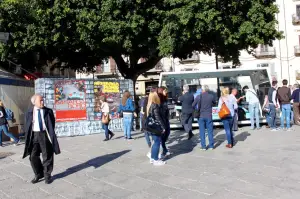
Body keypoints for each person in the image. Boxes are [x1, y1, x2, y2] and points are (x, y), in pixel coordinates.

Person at [23, 94, 60, 184]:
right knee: (32, 156)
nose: (42, 102)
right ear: (34, 102)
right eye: (40, 100)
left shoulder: (48, 111)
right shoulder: (29, 112)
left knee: (47, 155)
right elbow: (27, 125)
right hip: (34, 135)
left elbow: (52, 123)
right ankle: (39, 174)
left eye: (43, 100)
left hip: (44, 134)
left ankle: (47, 175)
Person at [146, 92, 167, 166]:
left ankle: (152, 158)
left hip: (151, 127)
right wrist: (163, 127)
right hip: (156, 127)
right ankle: (155, 159)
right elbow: (158, 118)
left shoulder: (149, 105)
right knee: (157, 142)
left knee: (155, 142)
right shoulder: (155, 105)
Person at [192, 85, 215, 150]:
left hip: (201, 116)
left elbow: (193, 105)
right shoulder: (211, 96)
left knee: (202, 131)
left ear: (202, 90)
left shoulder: (198, 97)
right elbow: (214, 103)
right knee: (210, 131)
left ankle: (203, 146)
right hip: (209, 115)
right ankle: (211, 146)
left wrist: (197, 108)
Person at [157, 87, 171, 158]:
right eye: (165, 91)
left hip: (166, 120)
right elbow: (158, 113)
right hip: (162, 121)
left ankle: (164, 148)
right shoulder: (158, 100)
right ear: (161, 91)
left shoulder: (165, 99)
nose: (166, 92)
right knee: (163, 136)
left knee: (167, 133)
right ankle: (164, 149)